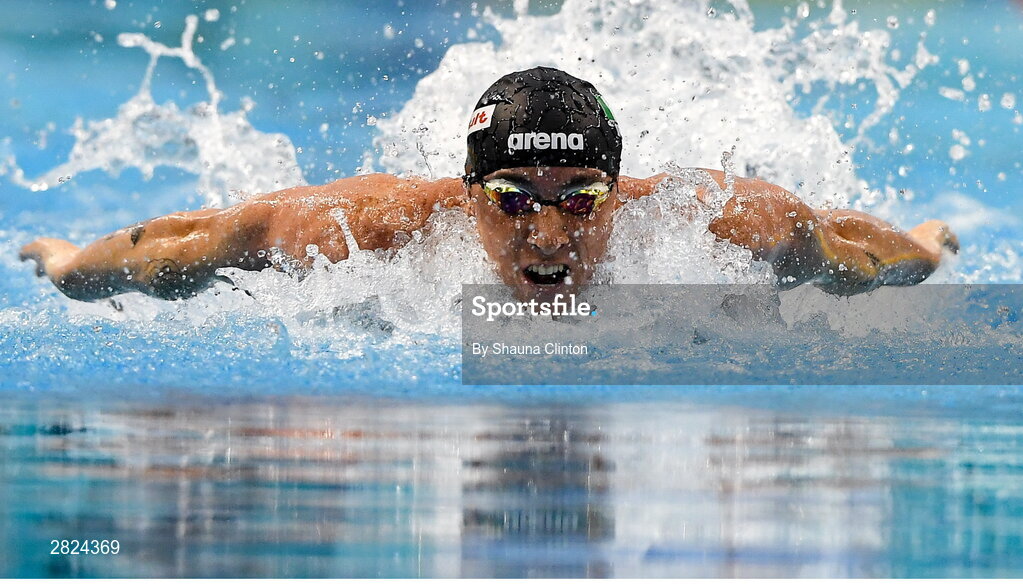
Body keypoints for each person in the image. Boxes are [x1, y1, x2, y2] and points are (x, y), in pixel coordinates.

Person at [20, 67, 958, 303]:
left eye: (580, 199)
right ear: (465, 194)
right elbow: (179, 243)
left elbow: (849, 251)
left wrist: (917, 249)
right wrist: (72, 266)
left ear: (617, 193)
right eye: (512, 197)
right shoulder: (364, 230)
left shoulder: (719, 221)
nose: (549, 236)